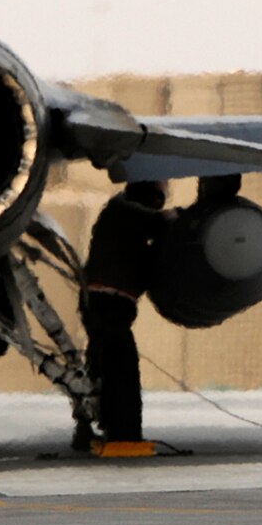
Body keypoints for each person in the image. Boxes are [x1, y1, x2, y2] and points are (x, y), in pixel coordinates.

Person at [80, 180, 168, 446]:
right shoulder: (124, 211)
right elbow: (159, 223)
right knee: (122, 368)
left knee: (102, 365)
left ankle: (94, 427)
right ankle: (123, 433)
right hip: (108, 304)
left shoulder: (119, 212)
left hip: (103, 303)